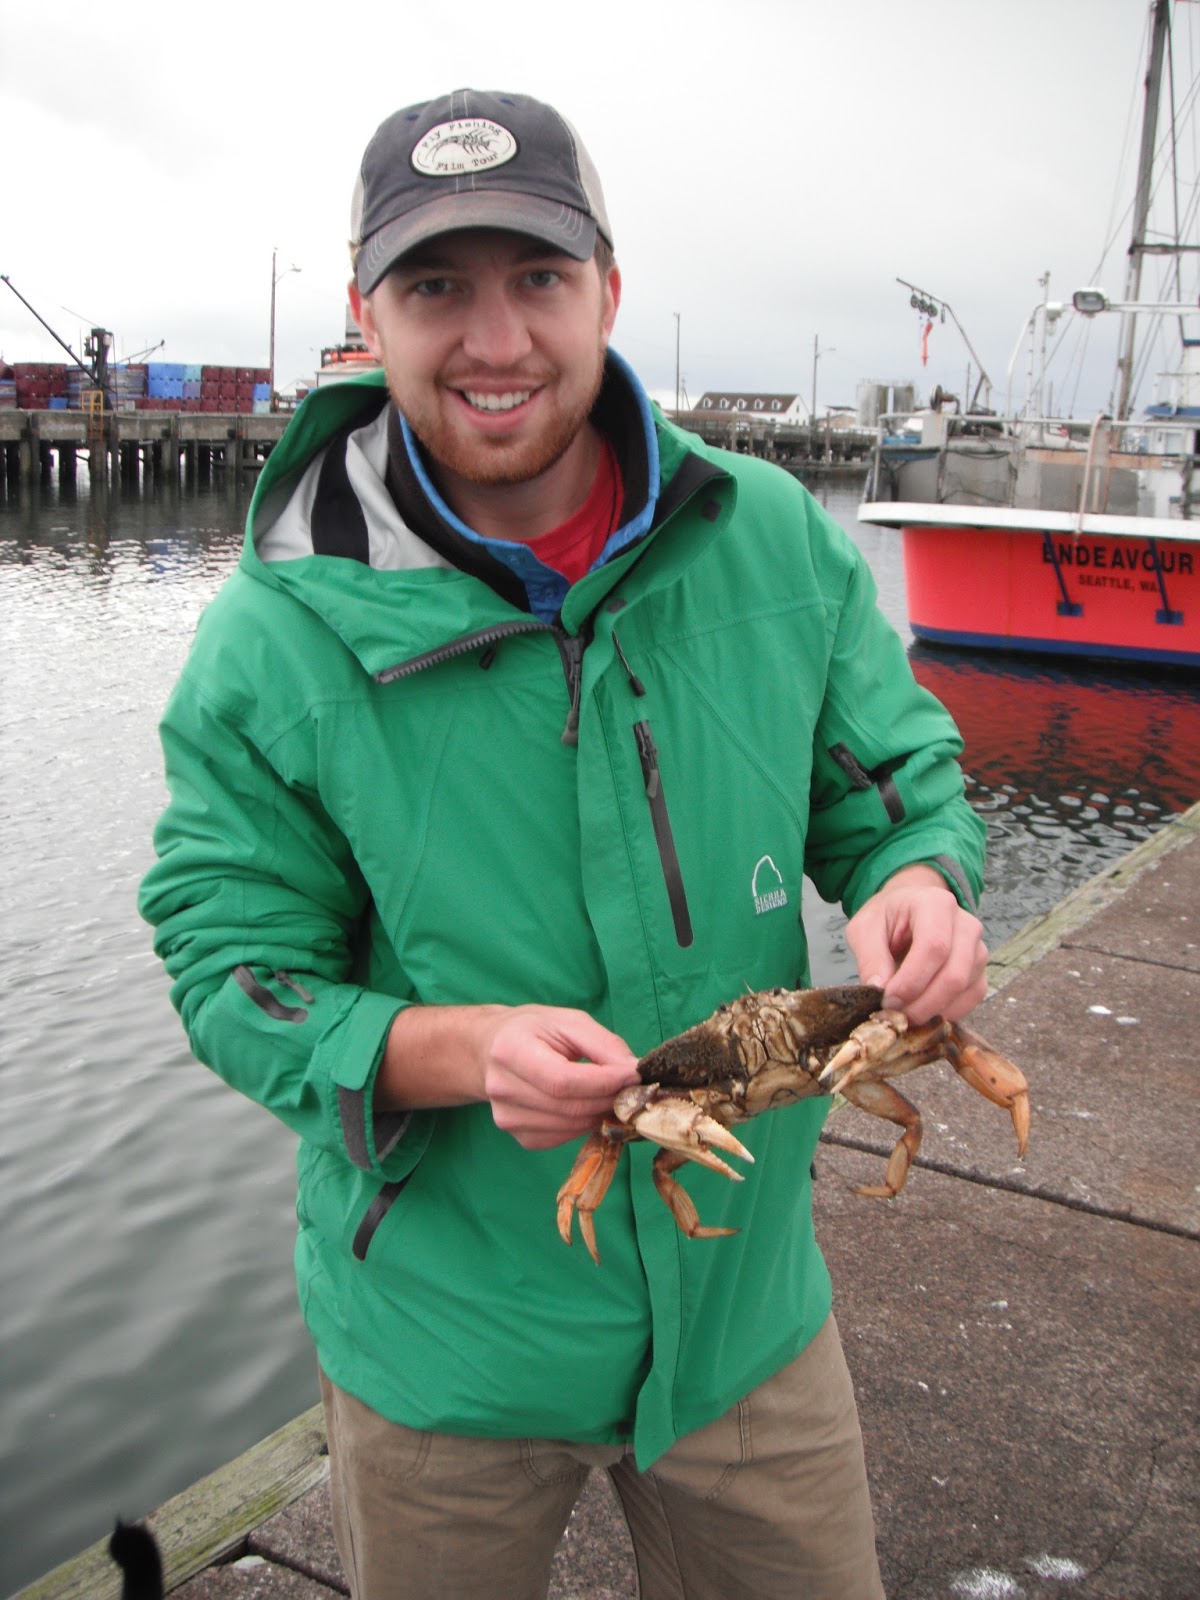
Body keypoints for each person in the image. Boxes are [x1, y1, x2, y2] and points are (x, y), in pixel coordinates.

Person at [140, 87, 989, 1600]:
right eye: (434, 287)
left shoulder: (776, 538)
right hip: (444, 1348)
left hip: (749, 1314)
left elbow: (886, 781)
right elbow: (231, 972)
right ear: (365, 313)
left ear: (608, 281)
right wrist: (462, 1051)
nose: (493, 338)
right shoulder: (272, 644)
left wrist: (915, 876)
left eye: (535, 276)